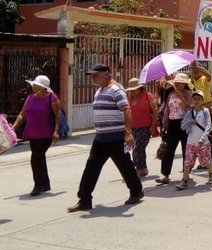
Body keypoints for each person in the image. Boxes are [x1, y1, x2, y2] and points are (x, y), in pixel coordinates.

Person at [67, 64, 143, 212]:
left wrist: (128, 133)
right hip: (101, 138)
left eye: (96, 75)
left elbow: (126, 110)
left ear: (107, 74)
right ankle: (84, 200)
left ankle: (136, 191)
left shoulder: (116, 90)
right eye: (92, 75)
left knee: (125, 166)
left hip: (115, 138)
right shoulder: (99, 91)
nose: (93, 78)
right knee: (91, 168)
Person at [13, 75, 61, 196]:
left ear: (43, 87)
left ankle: (37, 185)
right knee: (39, 157)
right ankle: (45, 184)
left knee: (35, 158)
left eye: (35, 84)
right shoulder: (30, 98)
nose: (33, 86)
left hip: (46, 135)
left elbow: (58, 115)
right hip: (32, 133)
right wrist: (13, 128)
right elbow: (22, 114)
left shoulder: (52, 98)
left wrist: (56, 131)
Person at [156, 73, 192, 185]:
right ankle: (165, 174)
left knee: (186, 150)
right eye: (176, 83)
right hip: (172, 124)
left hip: (185, 124)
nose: (178, 85)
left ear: (184, 84)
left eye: (180, 83)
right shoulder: (171, 95)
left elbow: (191, 108)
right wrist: (164, 124)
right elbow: (167, 110)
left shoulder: (189, 94)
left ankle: (186, 174)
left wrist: (182, 97)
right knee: (168, 150)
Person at [176, 90, 212, 190]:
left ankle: (211, 173)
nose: (196, 101)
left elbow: (208, 126)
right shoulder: (189, 112)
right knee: (187, 162)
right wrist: (190, 122)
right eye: (194, 99)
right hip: (190, 142)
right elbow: (182, 126)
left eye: (199, 99)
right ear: (192, 100)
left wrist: (202, 139)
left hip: (203, 143)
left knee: (206, 161)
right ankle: (184, 180)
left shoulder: (205, 111)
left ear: (202, 100)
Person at [125, 78, 157, 177]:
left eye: (135, 89)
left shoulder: (148, 96)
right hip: (133, 128)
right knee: (137, 148)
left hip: (145, 127)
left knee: (139, 146)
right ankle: (143, 168)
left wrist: (153, 125)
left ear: (140, 88)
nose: (133, 92)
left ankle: (138, 168)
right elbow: (125, 113)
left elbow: (155, 111)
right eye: (131, 90)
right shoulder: (128, 99)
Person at [191, 61, 212, 167]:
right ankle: (202, 161)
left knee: (207, 135)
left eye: (196, 70)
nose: (194, 72)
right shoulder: (191, 82)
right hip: (196, 110)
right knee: (198, 136)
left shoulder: (204, 79)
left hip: (206, 109)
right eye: (193, 70)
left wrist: (199, 67)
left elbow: (209, 75)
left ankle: (209, 160)